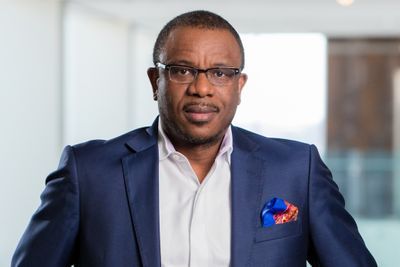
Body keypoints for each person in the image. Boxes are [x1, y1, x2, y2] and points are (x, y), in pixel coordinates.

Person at [12, 10, 377, 267]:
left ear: (239, 85)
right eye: (182, 70)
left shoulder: (297, 170)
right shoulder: (88, 173)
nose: (201, 88)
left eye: (220, 73)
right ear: (157, 82)